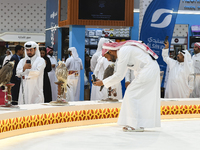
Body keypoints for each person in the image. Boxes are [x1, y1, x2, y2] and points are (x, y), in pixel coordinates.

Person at [93, 40, 161, 132]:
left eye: (106, 57)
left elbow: (119, 75)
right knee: (135, 95)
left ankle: (135, 125)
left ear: (111, 51)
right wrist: (103, 81)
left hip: (148, 70)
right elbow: (119, 73)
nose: (108, 60)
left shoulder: (123, 51)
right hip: (147, 70)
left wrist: (103, 83)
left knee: (131, 93)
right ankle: (137, 124)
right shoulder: (122, 52)